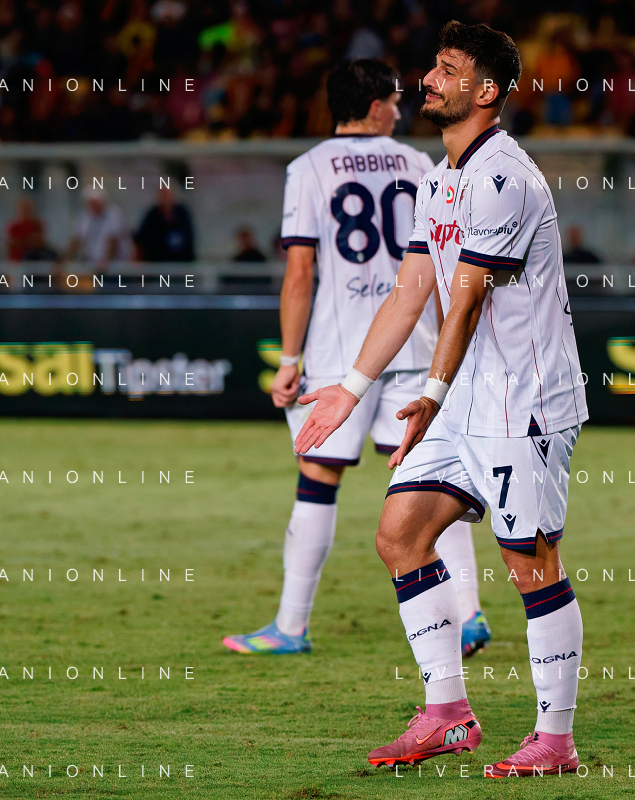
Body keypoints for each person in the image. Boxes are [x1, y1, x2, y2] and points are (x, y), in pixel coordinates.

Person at [293, 22, 589, 777]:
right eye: (432, 66)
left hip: (523, 397)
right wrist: (348, 391)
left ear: (485, 91)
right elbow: (409, 293)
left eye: (447, 69)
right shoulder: (438, 179)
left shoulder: (504, 178)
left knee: (530, 562)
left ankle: (555, 741)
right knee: (400, 535)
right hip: (463, 396)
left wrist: (428, 392)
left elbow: (465, 300)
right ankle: (447, 713)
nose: (427, 78)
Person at [222, 59, 489, 662]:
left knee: (317, 480)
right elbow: (441, 266)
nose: (399, 109)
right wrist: (447, 349)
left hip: (339, 355)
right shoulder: (420, 164)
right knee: (429, 481)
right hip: (414, 345)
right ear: (373, 107)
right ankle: (469, 615)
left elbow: (300, 272)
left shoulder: (308, 167)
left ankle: (291, 626)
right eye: (393, 100)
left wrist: (288, 358)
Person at [65, 187, 131, 269]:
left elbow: (113, 241)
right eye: (89, 204)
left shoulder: (114, 214)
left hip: (117, 265)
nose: (92, 207)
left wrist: (105, 262)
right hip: (97, 265)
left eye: (94, 203)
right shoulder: (87, 216)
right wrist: (65, 262)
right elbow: (77, 240)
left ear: (102, 203)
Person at [134, 186, 194, 261]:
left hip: (180, 262)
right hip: (156, 263)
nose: (166, 198)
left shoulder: (182, 214)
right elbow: (141, 240)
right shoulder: (152, 215)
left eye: (168, 195)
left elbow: (189, 240)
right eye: (163, 195)